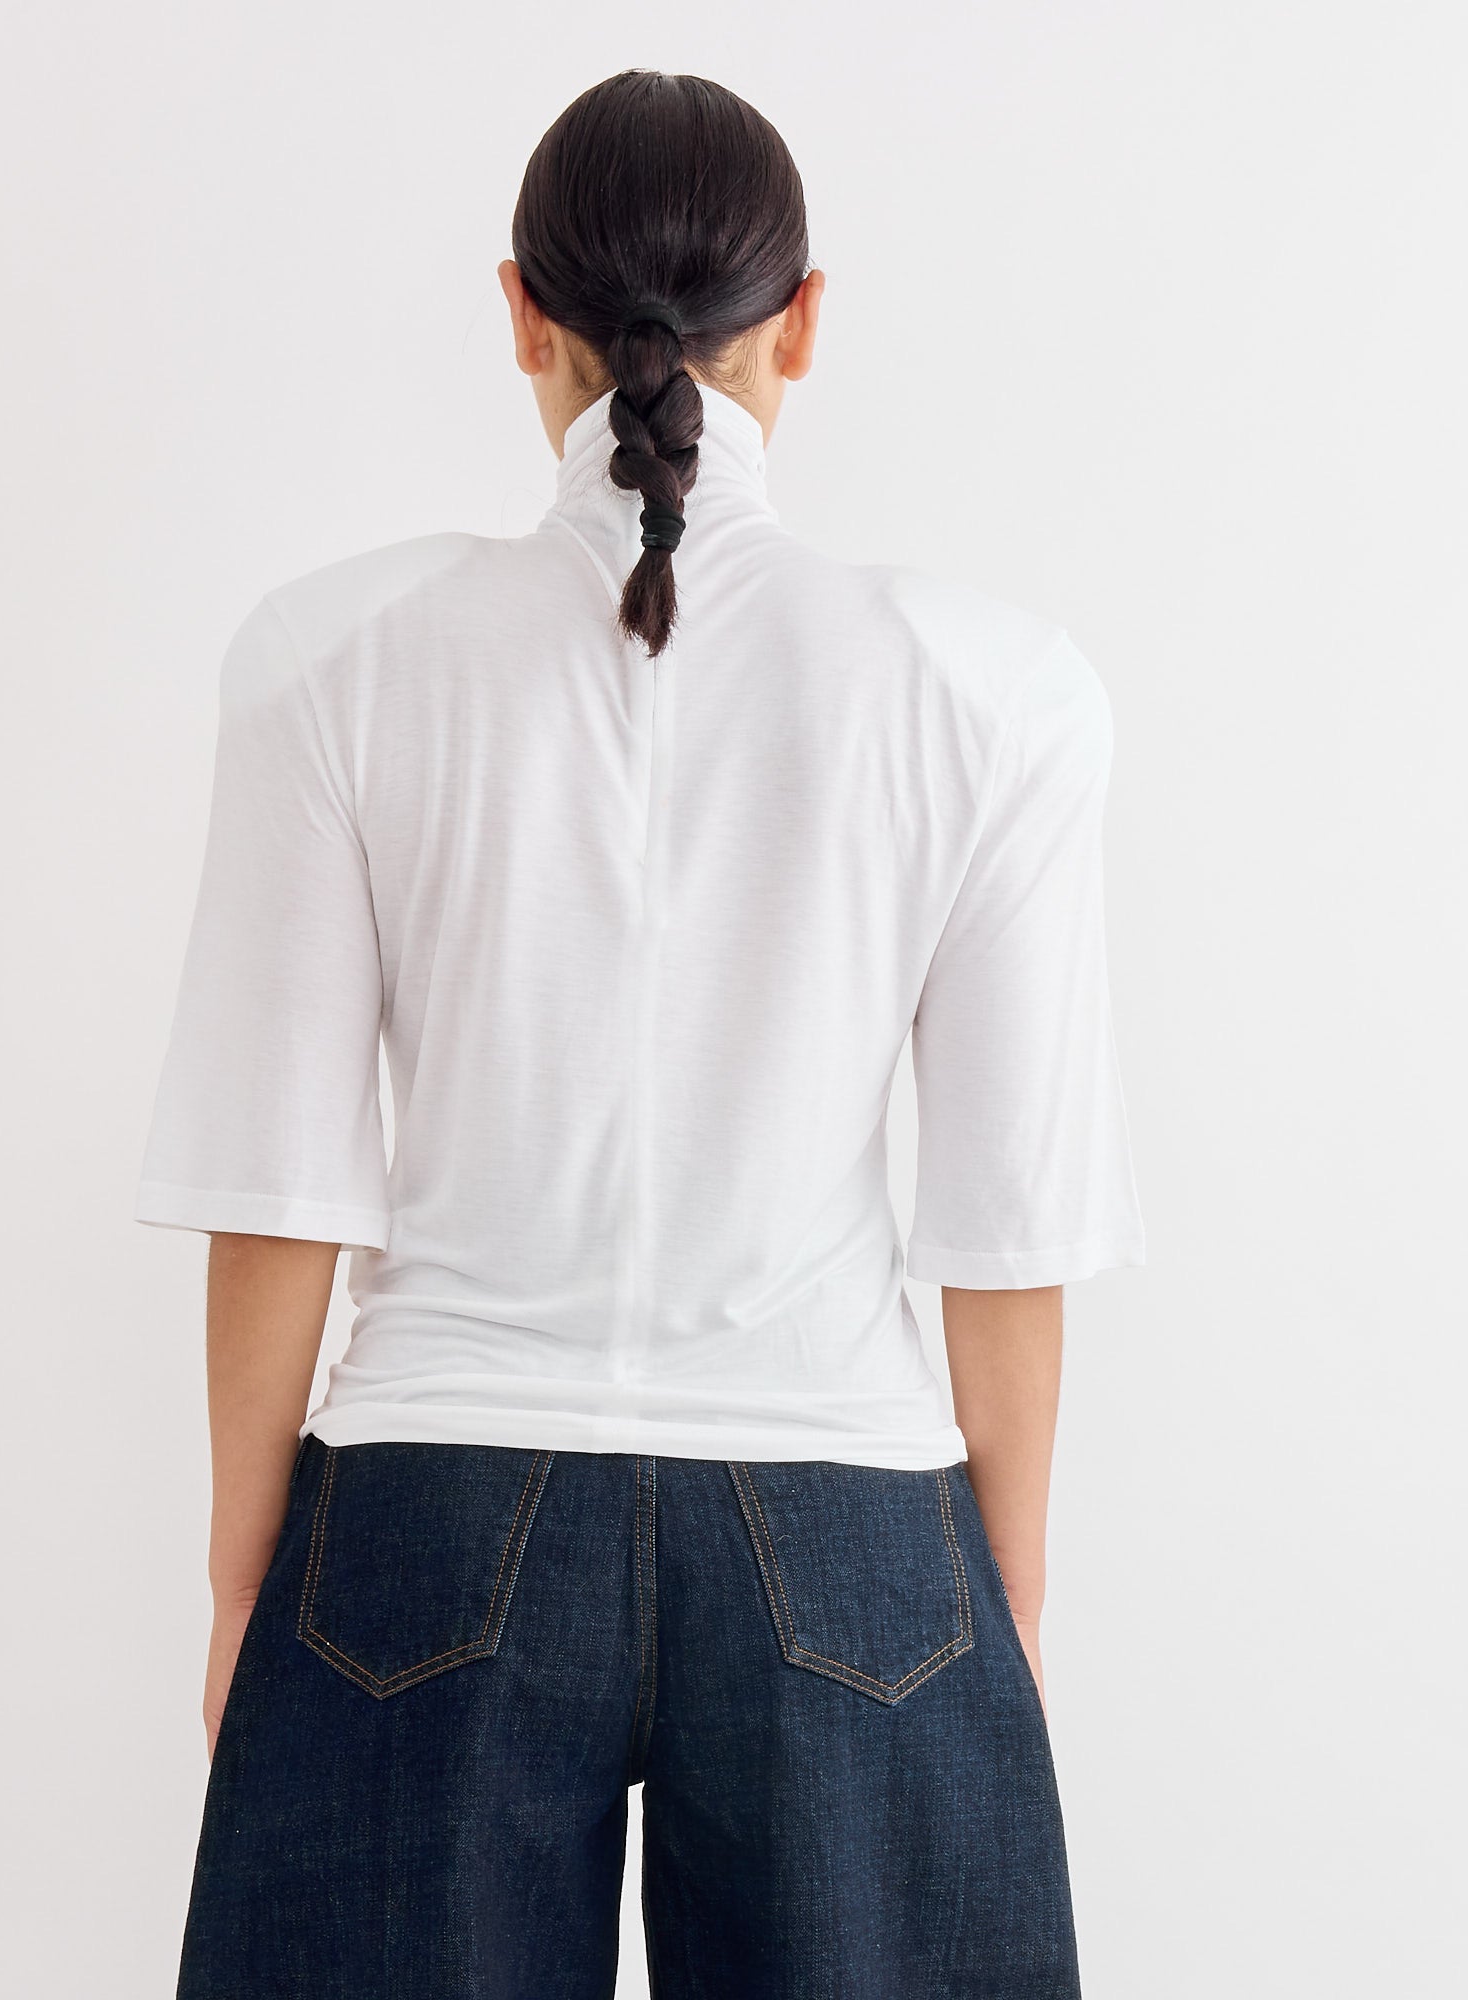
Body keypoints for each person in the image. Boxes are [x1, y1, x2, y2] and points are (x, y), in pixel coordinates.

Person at [135, 66, 1145, 2000]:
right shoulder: (996, 691)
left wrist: (243, 1580)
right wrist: (997, 1599)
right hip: (853, 1524)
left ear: (520, 308)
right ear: (807, 319)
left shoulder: (331, 660)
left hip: (423, 1510)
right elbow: (1010, 1226)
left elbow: (278, 1185)